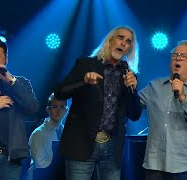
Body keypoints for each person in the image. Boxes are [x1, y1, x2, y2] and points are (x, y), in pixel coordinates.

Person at [54, 26, 142, 180]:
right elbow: (60, 92)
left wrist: (132, 89)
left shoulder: (128, 74)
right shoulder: (86, 64)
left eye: (128, 42)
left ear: (129, 49)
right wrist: (84, 82)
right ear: (109, 41)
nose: (123, 43)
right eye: (120, 38)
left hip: (112, 148)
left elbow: (134, 114)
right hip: (82, 144)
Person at [139, 40, 187, 180]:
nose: (178, 58)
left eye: (184, 56)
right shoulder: (154, 86)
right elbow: (133, 108)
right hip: (155, 166)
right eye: (174, 55)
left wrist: (183, 97)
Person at [0, 37, 40, 180]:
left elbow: (32, 108)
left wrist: (11, 81)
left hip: (11, 158)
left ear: (5, 59)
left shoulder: (20, 83)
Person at [27, 93, 68, 179]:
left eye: (62, 107)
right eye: (55, 107)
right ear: (48, 109)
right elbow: (40, 165)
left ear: (66, 110)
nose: (58, 111)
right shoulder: (38, 133)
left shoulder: (66, 133)